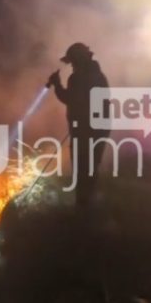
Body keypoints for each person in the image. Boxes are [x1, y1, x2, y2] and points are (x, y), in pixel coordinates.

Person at [48, 42, 110, 208]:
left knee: (82, 169)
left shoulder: (78, 78)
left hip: (85, 132)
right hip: (99, 130)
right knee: (90, 168)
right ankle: (90, 205)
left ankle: (83, 207)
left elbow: (70, 99)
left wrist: (57, 84)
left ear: (78, 60)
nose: (72, 66)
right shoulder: (99, 75)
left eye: (73, 62)